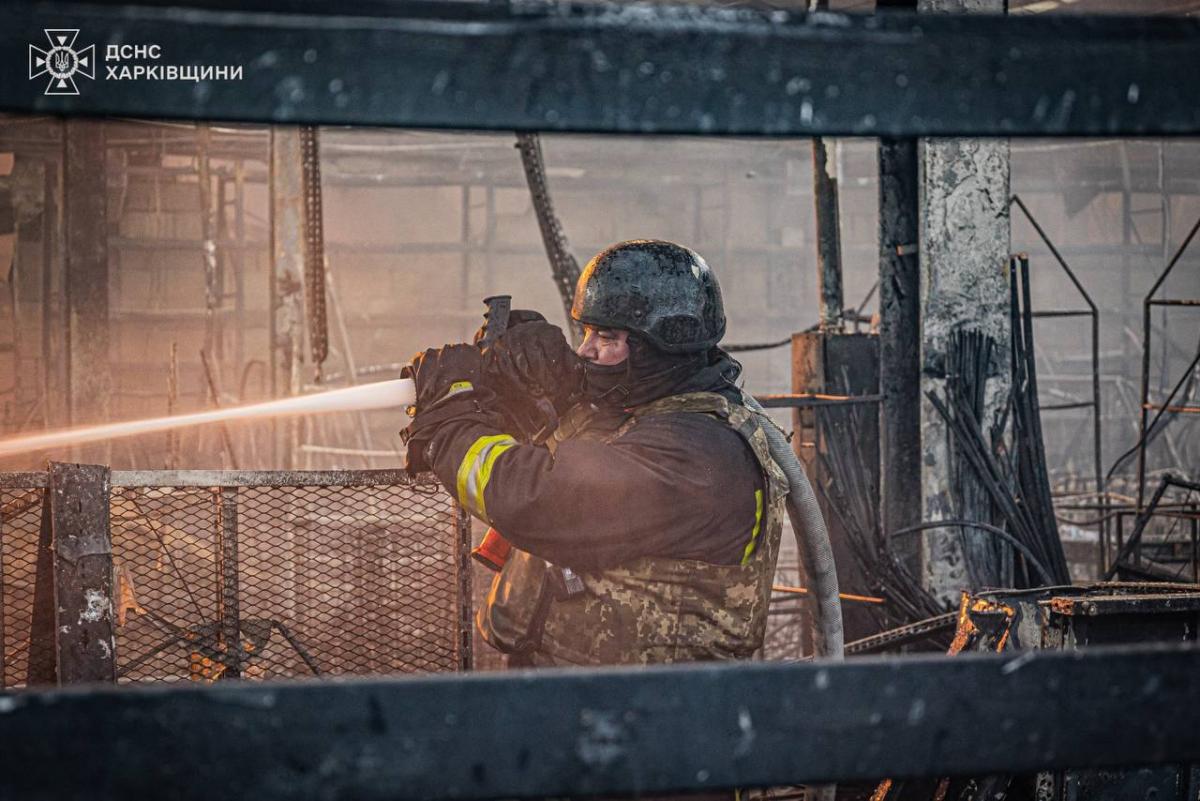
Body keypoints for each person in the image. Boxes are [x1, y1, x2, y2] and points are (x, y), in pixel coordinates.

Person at [402, 239, 788, 667]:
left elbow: (534, 497)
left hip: (647, 711)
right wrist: (543, 384)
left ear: (658, 347)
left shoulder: (696, 456)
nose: (585, 350)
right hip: (587, 690)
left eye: (605, 337)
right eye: (585, 332)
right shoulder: (650, 414)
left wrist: (451, 413)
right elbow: (584, 452)